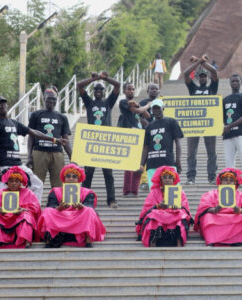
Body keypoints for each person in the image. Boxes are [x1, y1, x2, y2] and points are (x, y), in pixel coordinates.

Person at [0, 96, 57, 202]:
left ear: (7, 106)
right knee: (4, 193)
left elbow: (33, 132)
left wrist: (53, 139)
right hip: (5, 165)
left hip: (18, 165)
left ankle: (34, 211)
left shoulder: (14, 123)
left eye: (4, 103)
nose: (2, 106)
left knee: (37, 184)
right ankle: (3, 216)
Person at [77, 72, 121, 208]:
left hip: (106, 142)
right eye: (96, 89)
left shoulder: (108, 103)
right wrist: (93, 79)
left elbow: (118, 85)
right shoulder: (89, 102)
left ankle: (111, 200)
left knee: (108, 173)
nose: (98, 91)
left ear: (104, 91)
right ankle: (84, 200)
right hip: (92, 141)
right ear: (93, 91)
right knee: (88, 173)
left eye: (101, 89)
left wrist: (105, 78)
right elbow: (79, 86)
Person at [37, 164, 106, 248]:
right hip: (61, 216)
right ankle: (48, 240)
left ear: (78, 179)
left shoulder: (88, 192)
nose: (71, 179)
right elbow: (51, 206)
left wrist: (82, 207)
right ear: (64, 179)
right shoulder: (55, 191)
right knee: (47, 211)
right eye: (68, 176)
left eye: (74, 177)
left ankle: (88, 240)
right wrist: (59, 208)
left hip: (78, 216)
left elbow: (90, 206)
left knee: (89, 211)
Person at [0, 167, 41, 249]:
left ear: (20, 183)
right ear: (7, 182)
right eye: (11, 181)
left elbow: (35, 207)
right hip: (3, 216)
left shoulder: (28, 193)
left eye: (16, 181)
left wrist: (23, 209)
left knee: (27, 216)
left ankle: (26, 240)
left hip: (19, 215)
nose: (13, 183)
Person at [183, 54, 219, 185]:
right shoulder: (193, 88)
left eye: (205, 76)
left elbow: (214, 72)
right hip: (194, 123)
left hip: (209, 124)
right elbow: (186, 74)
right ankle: (191, 177)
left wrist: (202, 63)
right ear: (198, 77)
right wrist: (199, 61)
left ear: (207, 78)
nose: (203, 78)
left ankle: (212, 177)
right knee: (191, 153)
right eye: (201, 76)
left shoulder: (212, 88)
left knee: (212, 153)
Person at [194, 167, 242, 246]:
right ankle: (212, 240)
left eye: (231, 180)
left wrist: (240, 210)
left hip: (235, 216)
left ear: (235, 183)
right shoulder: (211, 194)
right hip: (217, 216)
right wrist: (214, 209)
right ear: (221, 182)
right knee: (208, 217)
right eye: (225, 179)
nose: (228, 182)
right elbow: (204, 207)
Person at [136, 165, 191, 247]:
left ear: (173, 180)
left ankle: (178, 239)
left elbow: (185, 207)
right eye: (164, 177)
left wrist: (178, 207)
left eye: (170, 177)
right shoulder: (154, 192)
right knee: (153, 214)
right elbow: (147, 207)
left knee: (181, 214)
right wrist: (158, 206)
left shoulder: (180, 192)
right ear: (161, 180)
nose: (167, 180)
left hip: (174, 213)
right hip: (159, 213)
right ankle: (154, 239)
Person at [28, 88, 71, 190]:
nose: (51, 101)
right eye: (49, 99)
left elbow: (66, 139)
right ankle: (34, 205)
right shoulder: (35, 115)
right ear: (44, 99)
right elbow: (31, 136)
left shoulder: (62, 117)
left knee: (58, 184)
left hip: (57, 153)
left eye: (54, 99)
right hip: (39, 152)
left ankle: (56, 205)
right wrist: (29, 156)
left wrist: (72, 156)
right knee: (36, 183)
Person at [139, 99, 184, 188]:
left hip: (168, 162)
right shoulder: (149, 126)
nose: (156, 111)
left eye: (158, 108)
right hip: (152, 164)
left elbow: (178, 142)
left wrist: (178, 161)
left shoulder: (172, 122)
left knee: (173, 191)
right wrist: (142, 164)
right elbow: (146, 148)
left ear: (163, 108)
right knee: (154, 192)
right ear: (151, 111)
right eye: (154, 109)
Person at [117, 82, 151, 197]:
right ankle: (127, 190)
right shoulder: (123, 102)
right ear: (124, 91)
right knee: (129, 164)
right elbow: (139, 111)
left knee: (139, 164)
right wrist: (148, 105)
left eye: (133, 89)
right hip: (129, 136)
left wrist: (140, 106)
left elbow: (147, 116)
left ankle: (134, 190)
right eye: (129, 89)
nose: (131, 91)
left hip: (139, 135)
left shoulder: (136, 104)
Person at [223, 74, 242, 188]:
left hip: (241, 133)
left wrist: (230, 126)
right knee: (228, 160)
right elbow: (221, 117)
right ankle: (230, 181)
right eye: (233, 81)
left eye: (237, 81)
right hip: (228, 135)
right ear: (230, 83)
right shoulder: (225, 100)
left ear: (241, 82)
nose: (235, 83)